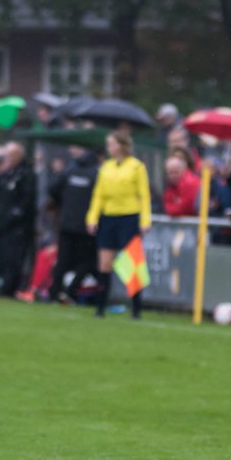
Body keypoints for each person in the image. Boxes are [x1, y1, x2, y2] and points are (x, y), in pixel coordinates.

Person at [86, 131, 151, 319]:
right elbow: (98, 195)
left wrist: (145, 220)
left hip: (129, 217)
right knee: (104, 262)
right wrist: (92, 217)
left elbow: (144, 195)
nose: (109, 148)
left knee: (132, 263)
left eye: (112, 144)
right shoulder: (106, 167)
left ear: (122, 146)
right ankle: (100, 307)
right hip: (108, 217)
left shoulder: (136, 167)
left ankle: (136, 308)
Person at [47, 149, 100, 303]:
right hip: (86, 226)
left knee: (62, 260)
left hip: (67, 223)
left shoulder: (70, 172)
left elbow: (52, 189)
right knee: (87, 260)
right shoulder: (96, 175)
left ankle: (54, 292)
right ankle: (71, 291)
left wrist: (63, 203)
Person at [0, 141, 38, 298]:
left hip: (18, 227)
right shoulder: (5, 173)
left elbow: (26, 201)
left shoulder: (26, 175)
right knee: (0, 257)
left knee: (13, 259)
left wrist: (13, 216)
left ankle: (8, 288)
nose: (6, 158)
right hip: (3, 224)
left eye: (9, 155)